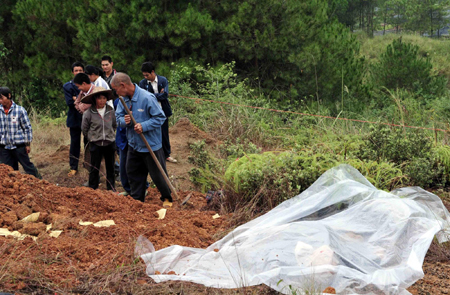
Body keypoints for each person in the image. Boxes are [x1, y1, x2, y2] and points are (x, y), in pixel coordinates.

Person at [113, 73, 172, 203]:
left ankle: (167, 198)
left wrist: (144, 126)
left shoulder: (147, 98)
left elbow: (160, 118)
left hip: (150, 145)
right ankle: (137, 200)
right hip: (133, 145)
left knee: (158, 176)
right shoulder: (123, 100)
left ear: (123, 85)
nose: (116, 92)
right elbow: (117, 119)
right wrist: (124, 120)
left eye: (116, 89)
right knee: (133, 173)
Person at [138, 62, 176, 163]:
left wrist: (150, 96)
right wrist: (157, 94)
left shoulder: (162, 80)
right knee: (152, 132)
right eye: (144, 75)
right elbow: (143, 97)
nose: (146, 77)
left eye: (147, 75)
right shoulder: (143, 83)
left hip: (163, 110)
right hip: (149, 112)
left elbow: (165, 95)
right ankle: (154, 154)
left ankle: (166, 154)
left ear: (153, 72)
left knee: (164, 133)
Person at [0, 87, 41, 178]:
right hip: (4, 147)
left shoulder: (20, 110)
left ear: (9, 95)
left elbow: (27, 128)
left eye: (2, 98)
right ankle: (14, 189)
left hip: (19, 145)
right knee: (8, 170)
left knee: (28, 167)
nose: (0, 101)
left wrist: (27, 144)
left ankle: (41, 182)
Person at [81, 88, 116, 191]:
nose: (102, 101)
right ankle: (93, 188)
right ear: (95, 99)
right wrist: (92, 138)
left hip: (109, 143)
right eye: (99, 98)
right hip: (96, 143)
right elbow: (85, 129)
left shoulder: (110, 111)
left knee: (110, 167)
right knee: (94, 167)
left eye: (104, 98)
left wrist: (109, 135)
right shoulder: (88, 113)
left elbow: (114, 125)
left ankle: (111, 188)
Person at [63, 62, 84, 177]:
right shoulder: (68, 86)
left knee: (89, 142)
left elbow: (89, 101)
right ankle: (73, 167)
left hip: (87, 118)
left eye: (80, 70)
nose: (78, 73)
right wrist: (81, 99)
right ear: (72, 72)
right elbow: (70, 102)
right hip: (74, 118)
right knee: (74, 143)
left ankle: (89, 165)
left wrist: (77, 98)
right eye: (76, 70)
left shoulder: (89, 84)